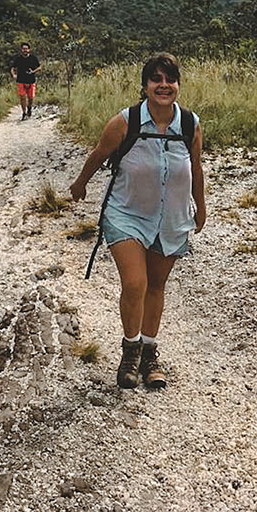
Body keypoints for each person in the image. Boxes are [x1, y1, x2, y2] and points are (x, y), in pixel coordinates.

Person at [70, 53, 206, 390]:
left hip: (171, 217)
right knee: (135, 284)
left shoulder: (189, 125)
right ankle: (129, 352)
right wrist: (80, 183)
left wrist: (200, 207)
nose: (163, 86)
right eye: (156, 80)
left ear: (178, 85)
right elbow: (99, 154)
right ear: (144, 86)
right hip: (126, 213)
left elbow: (197, 168)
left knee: (156, 287)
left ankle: (149, 353)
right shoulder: (125, 122)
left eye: (170, 80)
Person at [10, 42, 41, 119]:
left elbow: (40, 67)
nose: (25, 50)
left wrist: (33, 71)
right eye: (23, 49)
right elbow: (13, 68)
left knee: (30, 97)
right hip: (21, 80)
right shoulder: (18, 59)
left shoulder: (33, 58)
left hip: (31, 80)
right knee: (22, 97)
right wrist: (14, 75)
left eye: (26, 49)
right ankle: (24, 112)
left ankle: (29, 108)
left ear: (29, 50)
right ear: (21, 50)